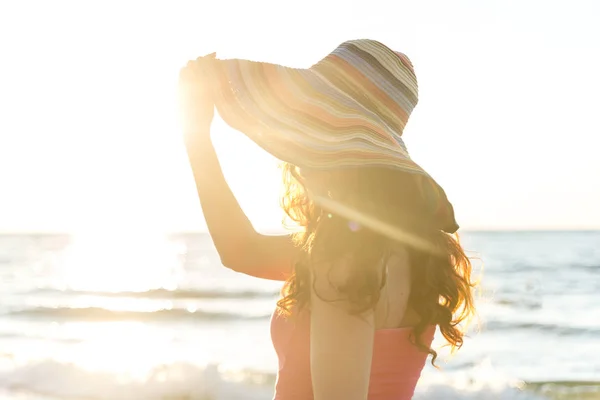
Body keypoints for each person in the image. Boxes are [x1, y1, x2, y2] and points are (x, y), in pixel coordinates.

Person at [178, 40, 476, 400]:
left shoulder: (345, 258)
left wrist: (197, 136)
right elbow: (241, 250)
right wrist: (196, 136)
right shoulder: (416, 249)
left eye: (312, 129)